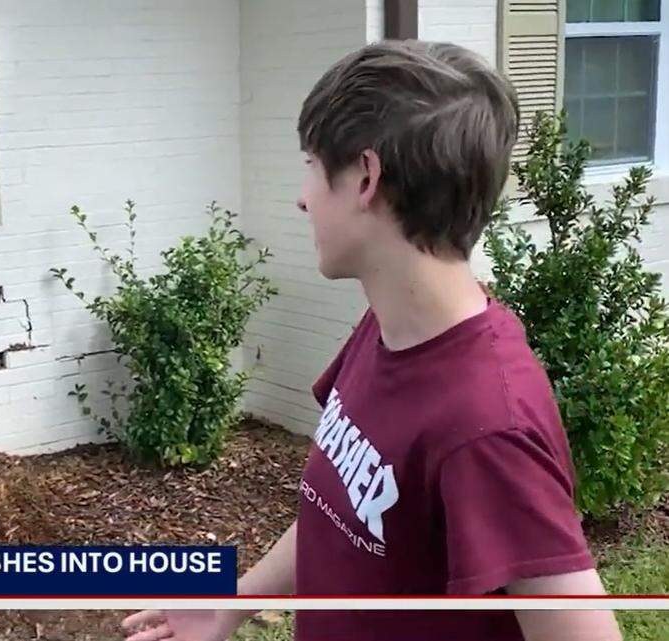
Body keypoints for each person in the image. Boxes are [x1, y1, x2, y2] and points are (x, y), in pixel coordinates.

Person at [122, 40, 623, 641]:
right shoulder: (388, 330)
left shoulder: (488, 426)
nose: (302, 196)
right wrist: (234, 601)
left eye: (311, 165)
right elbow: (342, 507)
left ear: (365, 177)